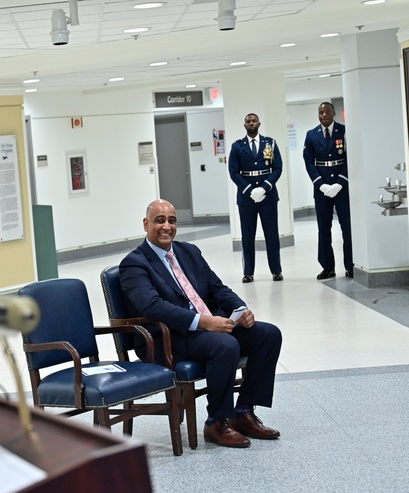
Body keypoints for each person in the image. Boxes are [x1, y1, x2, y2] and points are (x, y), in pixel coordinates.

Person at [118, 200, 283, 449]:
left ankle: (243, 412)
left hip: (206, 329)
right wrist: (202, 322)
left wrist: (241, 309)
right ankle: (216, 422)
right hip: (167, 338)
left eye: (172, 220)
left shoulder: (189, 252)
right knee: (224, 345)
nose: (166, 226)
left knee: (268, 334)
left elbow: (217, 288)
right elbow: (152, 306)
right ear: (146, 224)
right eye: (159, 220)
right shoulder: (134, 263)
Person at [227, 113, 283, 283]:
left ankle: (276, 271)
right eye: (248, 121)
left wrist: (264, 187)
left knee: (272, 235)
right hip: (246, 198)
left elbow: (277, 168)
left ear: (259, 123)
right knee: (247, 235)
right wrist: (250, 189)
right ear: (245, 125)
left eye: (253, 121)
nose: (251, 123)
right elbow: (233, 172)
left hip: (268, 197)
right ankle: (248, 272)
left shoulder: (270, 143)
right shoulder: (237, 146)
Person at [303, 101, 353, 279]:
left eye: (326, 112)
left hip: (342, 187)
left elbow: (351, 157)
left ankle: (350, 265)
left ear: (334, 113)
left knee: (347, 227)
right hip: (322, 188)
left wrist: (340, 182)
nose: (323, 115)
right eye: (320, 112)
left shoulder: (345, 131)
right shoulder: (311, 135)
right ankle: (327, 267)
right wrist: (320, 184)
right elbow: (309, 162)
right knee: (324, 228)